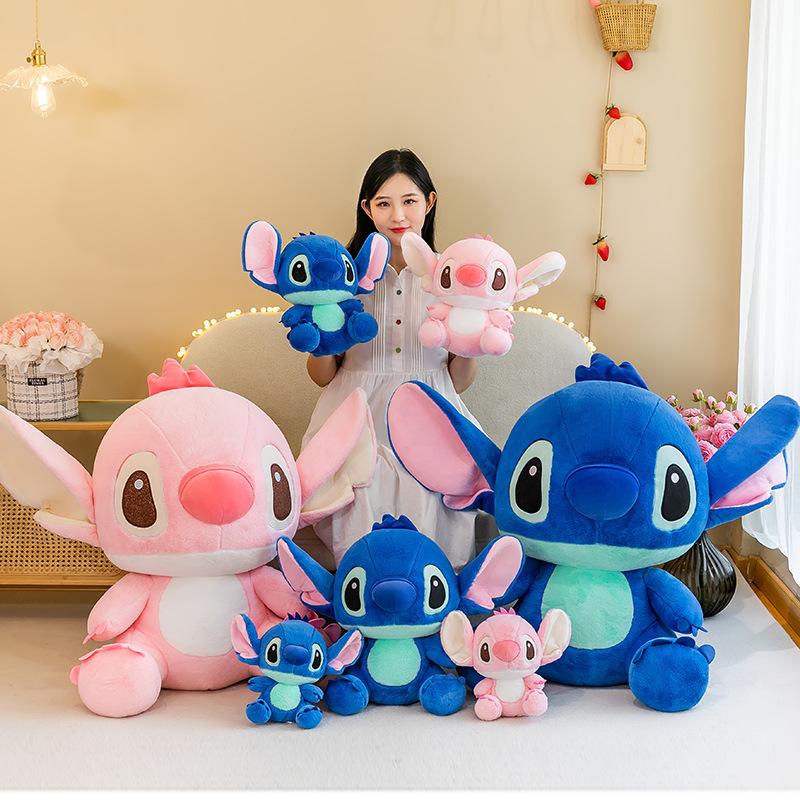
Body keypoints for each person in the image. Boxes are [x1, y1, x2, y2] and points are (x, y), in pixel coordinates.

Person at [301, 148, 481, 568]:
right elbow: (322, 377)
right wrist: (320, 338)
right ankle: (353, 584)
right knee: (361, 483)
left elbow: (458, 381)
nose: (397, 215)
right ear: (367, 208)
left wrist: (470, 340)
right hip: (355, 409)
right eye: (383, 203)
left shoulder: (450, 276)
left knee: (433, 482)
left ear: (429, 202)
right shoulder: (345, 277)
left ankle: (431, 585)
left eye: (409, 201)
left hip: (431, 405)